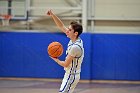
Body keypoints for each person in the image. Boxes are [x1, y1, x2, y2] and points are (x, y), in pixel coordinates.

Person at [47, 9, 84, 93]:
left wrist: (55, 59)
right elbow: (61, 26)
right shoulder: (74, 39)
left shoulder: (75, 47)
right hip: (69, 74)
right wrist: (53, 15)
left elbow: (65, 64)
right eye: (68, 28)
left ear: (75, 33)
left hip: (72, 76)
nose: (67, 30)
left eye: (70, 30)